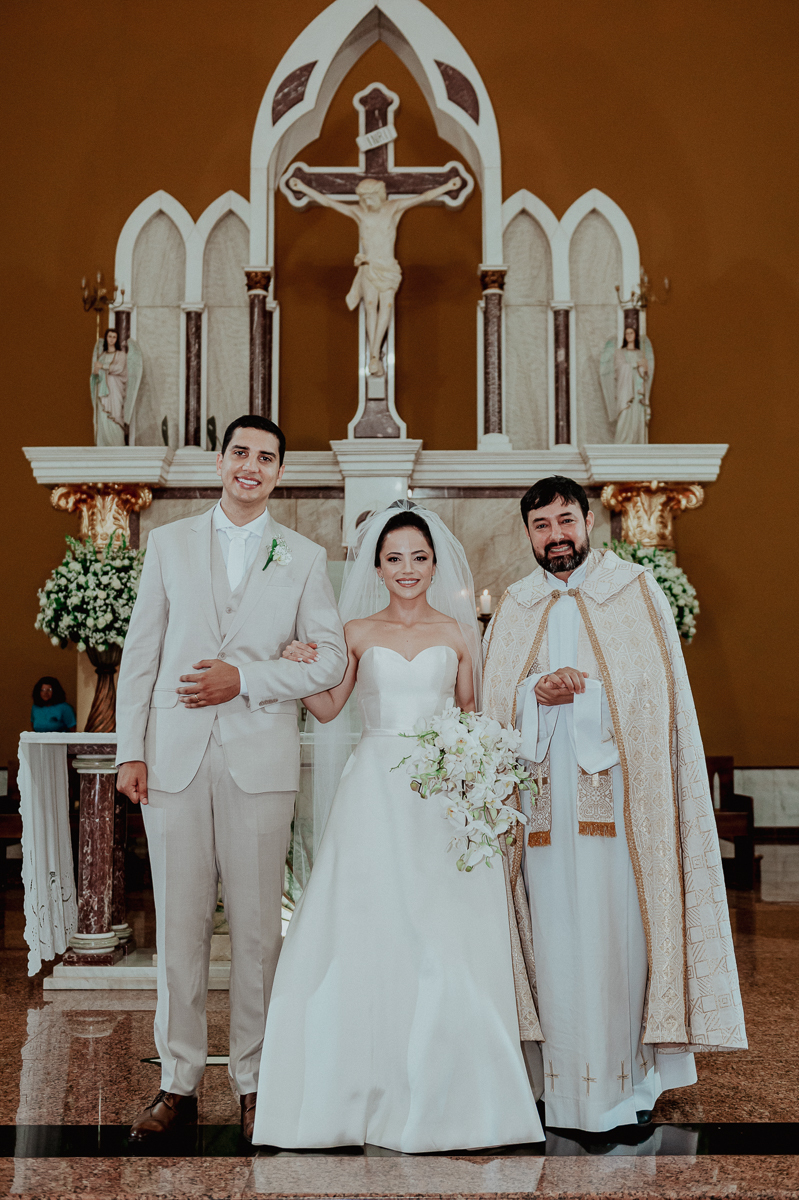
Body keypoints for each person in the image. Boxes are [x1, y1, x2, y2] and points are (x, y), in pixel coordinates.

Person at [251, 504, 543, 1153]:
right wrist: (299, 666)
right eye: (393, 558)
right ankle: (352, 1086)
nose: (407, 569)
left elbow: (472, 715)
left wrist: (474, 777)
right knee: (369, 922)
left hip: (441, 794)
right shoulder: (355, 630)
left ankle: (456, 1089)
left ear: (434, 563)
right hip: (374, 789)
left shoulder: (461, 632)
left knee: (443, 928)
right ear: (376, 566)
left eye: (418, 557)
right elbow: (328, 710)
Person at [482, 476, 747, 1134]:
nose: (555, 537)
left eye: (564, 520)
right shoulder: (514, 606)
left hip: (623, 810)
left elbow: (654, 699)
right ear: (527, 535)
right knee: (553, 931)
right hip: (540, 809)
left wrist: (591, 695)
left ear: (588, 521)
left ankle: (626, 1085)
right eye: (541, 526)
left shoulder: (632, 589)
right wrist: (531, 697)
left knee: (617, 931)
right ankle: (558, 1084)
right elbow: (492, 708)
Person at [114, 414, 347, 1144]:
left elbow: (329, 660)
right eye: (240, 453)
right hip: (174, 759)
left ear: (279, 473)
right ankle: (177, 1082)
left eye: (266, 457)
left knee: (255, 935)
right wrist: (131, 751)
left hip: (259, 762)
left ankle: (254, 1081)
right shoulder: (168, 544)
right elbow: (140, 652)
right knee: (178, 931)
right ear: (220, 463)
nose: (251, 466)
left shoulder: (303, 557)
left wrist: (244, 677)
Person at [288, 174, 461, 376]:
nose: (367, 203)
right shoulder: (359, 213)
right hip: (368, 266)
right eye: (364, 199)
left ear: (379, 195)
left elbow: (423, 197)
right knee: (370, 307)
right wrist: (303, 187)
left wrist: (448, 186)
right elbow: (329, 202)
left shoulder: (393, 208)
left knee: (385, 307)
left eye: (370, 198)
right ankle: (373, 357)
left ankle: (374, 354)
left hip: (387, 267)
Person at [90, 327, 143, 446]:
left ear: (117, 339)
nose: (111, 339)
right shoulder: (102, 355)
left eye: (114, 337)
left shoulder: (121, 355)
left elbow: (119, 369)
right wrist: (95, 373)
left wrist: (103, 366)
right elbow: (95, 375)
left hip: (115, 389)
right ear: (106, 338)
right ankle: (103, 443)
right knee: (103, 417)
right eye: (109, 336)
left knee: (116, 415)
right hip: (102, 391)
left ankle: (117, 444)